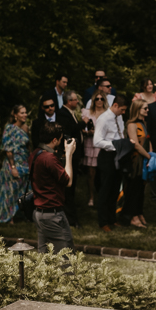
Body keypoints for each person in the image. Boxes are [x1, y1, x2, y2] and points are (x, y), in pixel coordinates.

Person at [30, 122, 77, 253]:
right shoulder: (49, 158)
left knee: (44, 257)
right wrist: (69, 155)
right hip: (53, 215)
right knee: (67, 255)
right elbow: (68, 181)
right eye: (61, 139)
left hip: (40, 212)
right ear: (55, 139)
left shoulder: (35, 154)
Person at [0, 105, 31, 223]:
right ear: (15, 115)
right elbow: (8, 150)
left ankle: (19, 214)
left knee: (22, 191)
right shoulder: (9, 128)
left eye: (25, 112)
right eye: (22, 113)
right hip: (13, 162)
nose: (25, 115)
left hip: (24, 162)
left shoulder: (26, 128)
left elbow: (28, 146)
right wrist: (13, 167)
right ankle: (8, 216)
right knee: (10, 191)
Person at [94, 94, 128, 232]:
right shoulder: (103, 119)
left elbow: (120, 133)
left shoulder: (119, 117)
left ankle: (112, 219)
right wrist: (115, 145)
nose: (123, 113)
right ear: (115, 106)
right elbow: (97, 141)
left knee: (115, 189)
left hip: (119, 156)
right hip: (107, 156)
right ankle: (103, 222)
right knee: (105, 190)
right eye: (122, 110)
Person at [56, 90, 86, 227]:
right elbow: (70, 129)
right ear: (69, 101)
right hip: (68, 155)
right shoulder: (62, 113)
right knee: (69, 185)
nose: (77, 102)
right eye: (75, 100)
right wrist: (83, 123)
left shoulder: (70, 113)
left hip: (74, 154)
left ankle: (70, 216)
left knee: (72, 186)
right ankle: (69, 217)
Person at [122, 99, 152, 228]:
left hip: (144, 158)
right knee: (134, 188)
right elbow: (135, 144)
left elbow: (148, 140)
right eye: (144, 108)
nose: (147, 110)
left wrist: (151, 154)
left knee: (141, 189)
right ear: (137, 109)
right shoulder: (131, 124)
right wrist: (148, 156)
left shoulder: (143, 123)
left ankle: (139, 213)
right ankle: (132, 216)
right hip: (136, 161)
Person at [81, 90, 108, 207]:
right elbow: (82, 129)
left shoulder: (108, 113)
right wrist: (89, 132)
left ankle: (103, 196)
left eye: (101, 98)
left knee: (103, 173)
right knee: (91, 173)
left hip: (102, 145)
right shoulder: (87, 113)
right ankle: (91, 196)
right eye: (97, 99)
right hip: (90, 144)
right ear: (93, 100)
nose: (99, 101)